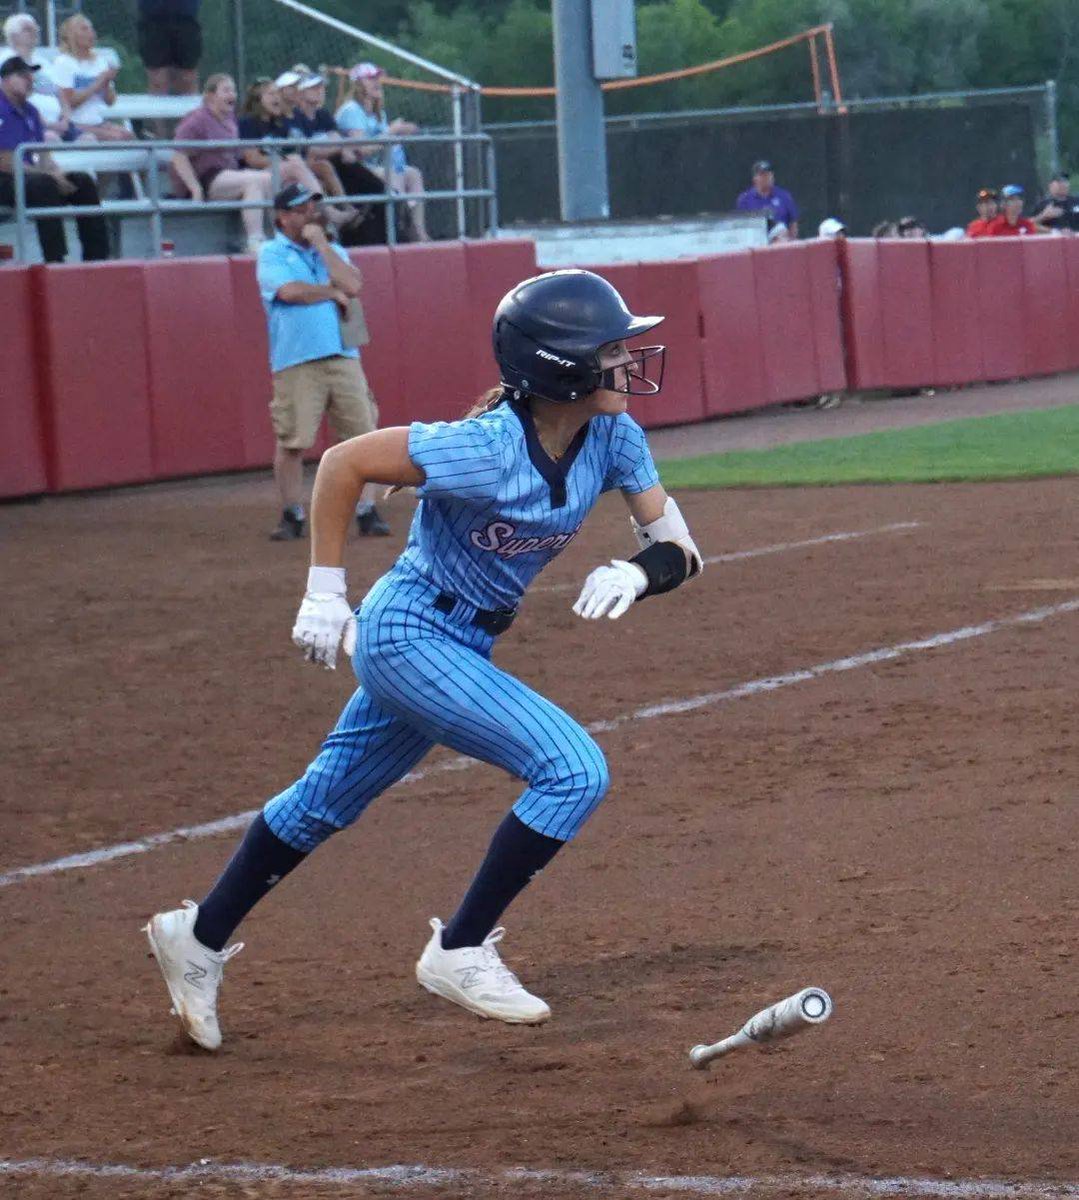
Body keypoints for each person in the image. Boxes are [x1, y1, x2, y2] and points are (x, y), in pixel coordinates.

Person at [143, 267, 702, 1050]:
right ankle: (460, 948)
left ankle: (195, 936)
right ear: (558, 366)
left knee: (321, 803)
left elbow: (678, 546)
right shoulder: (483, 448)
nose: (628, 361)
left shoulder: (612, 435)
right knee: (573, 770)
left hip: (460, 639)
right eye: (610, 349)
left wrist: (640, 571)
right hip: (408, 634)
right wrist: (325, 593)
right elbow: (343, 464)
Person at [253, 183, 390, 541]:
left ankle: (367, 509)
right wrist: (331, 292)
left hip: (343, 355)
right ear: (283, 218)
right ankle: (291, 512)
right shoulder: (271, 253)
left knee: (362, 435)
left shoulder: (331, 250)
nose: (310, 215)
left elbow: (353, 285)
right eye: (301, 210)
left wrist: (321, 244)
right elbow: (289, 292)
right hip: (297, 358)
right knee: (293, 438)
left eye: (312, 208)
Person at [0, 56, 109, 263]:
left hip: (27, 175)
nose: (29, 80)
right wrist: (50, 176)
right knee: (44, 185)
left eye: (30, 75)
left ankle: (98, 258)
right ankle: (55, 259)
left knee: (82, 182)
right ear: (5, 79)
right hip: (4, 177)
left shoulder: (31, 111)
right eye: (22, 75)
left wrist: (59, 175)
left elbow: (44, 156)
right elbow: (5, 161)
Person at [237, 78, 359, 236]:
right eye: (270, 94)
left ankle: (326, 226)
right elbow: (252, 159)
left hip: (284, 171)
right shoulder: (248, 122)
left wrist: (289, 161)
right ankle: (330, 213)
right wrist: (283, 161)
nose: (277, 98)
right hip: (259, 173)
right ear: (258, 98)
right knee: (295, 164)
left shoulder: (279, 123)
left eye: (277, 93)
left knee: (309, 174)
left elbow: (295, 152)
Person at [170, 73, 274, 254]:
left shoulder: (230, 119)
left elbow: (236, 153)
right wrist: (195, 188)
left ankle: (277, 237)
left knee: (270, 178)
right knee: (253, 181)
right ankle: (255, 241)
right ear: (210, 96)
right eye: (226, 90)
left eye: (233, 90)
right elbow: (178, 155)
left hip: (227, 174)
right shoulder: (197, 119)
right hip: (205, 178)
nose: (232, 95)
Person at [335, 62, 429, 241]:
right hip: (357, 170)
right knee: (393, 174)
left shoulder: (378, 112)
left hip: (378, 165)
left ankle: (418, 231)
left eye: (378, 77)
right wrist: (391, 133)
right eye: (371, 78)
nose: (377, 81)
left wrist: (403, 130)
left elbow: (387, 141)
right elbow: (361, 150)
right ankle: (397, 231)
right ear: (358, 84)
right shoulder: (351, 110)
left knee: (413, 174)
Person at [50, 14, 133, 143]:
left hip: (97, 121)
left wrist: (107, 82)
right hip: (74, 124)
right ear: (72, 35)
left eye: (91, 29)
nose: (91, 33)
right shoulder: (64, 62)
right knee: (116, 138)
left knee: (128, 136)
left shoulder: (100, 62)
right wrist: (98, 83)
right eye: (84, 29)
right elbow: (69, 102)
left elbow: (110, 101)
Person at [1, 12, 71, 138]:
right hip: (25, 125)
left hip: (59, 125)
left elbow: (60, 93)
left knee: (88, 139)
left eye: (35, 28)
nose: (34, 31)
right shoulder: (6, 61)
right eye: (27, 29)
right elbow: (15, 101)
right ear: (13, 35)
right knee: (50, 139)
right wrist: (47, 124)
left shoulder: (43, 62)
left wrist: (65, 120)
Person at [138, 0, 201, 99]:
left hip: (186, 16)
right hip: (153, 17)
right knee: (158, 81)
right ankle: (159, 114)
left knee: (187, 78)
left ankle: (192, 115)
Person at [735, 159, 798, 239]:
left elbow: (793, 223)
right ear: (755, 178)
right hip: (756, 240)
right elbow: (741, 226)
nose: (767, 177)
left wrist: (792, 244)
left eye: (769, 174)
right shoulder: (745, 199)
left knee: (781, 229)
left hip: (781, 241)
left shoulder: (784, 196)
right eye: (763, 175)